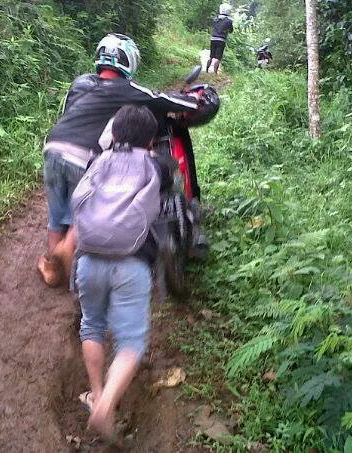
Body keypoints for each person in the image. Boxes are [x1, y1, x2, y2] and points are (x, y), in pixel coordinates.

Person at [38, 33, 210, 287]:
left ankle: (54, 267)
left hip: (52, 148)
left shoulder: (81, 83)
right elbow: (161, 99)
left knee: (57, 214)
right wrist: (194, 101)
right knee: (84, 212)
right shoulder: (125, 88)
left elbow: (68, 113)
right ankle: (69, 259)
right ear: (127, 61)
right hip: (82, 157)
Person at [71, 105, 166, 443]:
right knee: (131, 342)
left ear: (114, 133)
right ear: (151, 139)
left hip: (89, 259)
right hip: (132, 263)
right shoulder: (156, 165)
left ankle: (97, 393)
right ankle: (106, 406)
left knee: (92, 325)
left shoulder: (97, 161)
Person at [207, 3, 234, 74]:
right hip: (221, 40)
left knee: (211, 56)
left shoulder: (215, 19)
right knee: (218, 58)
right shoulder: (229, 21)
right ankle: (215, 73)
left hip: (213, 38)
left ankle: (207, 70)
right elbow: (231, 30)